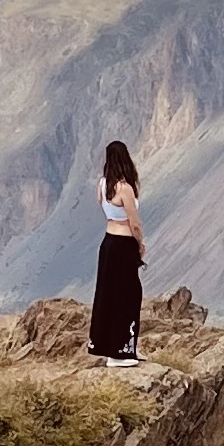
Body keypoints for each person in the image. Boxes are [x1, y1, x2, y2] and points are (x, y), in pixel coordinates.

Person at [89, 139, 145, 361]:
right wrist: (140, 245)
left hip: (108, 243)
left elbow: (105, 208)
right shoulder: (125, 189)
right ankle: (121, 352)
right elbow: (135, 223)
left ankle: (114, 346)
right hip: (124, 244)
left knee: (108, 294)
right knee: (128, 295)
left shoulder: (103, 185)